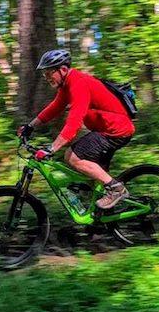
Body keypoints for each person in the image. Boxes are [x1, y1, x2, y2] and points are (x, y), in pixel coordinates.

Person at [17, 49, 135, 210]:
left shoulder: (78, 83)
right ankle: (98, 223)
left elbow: (74, 122)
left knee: (73, 157)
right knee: (90, 176)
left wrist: (52, 149)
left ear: (63, 70)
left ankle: (116, 190)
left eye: (49, 73)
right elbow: (55, 108)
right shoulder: (67, 85)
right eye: (44, 74)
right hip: (105, 129)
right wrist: (30, 126)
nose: (46, 77)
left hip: (114, 131)